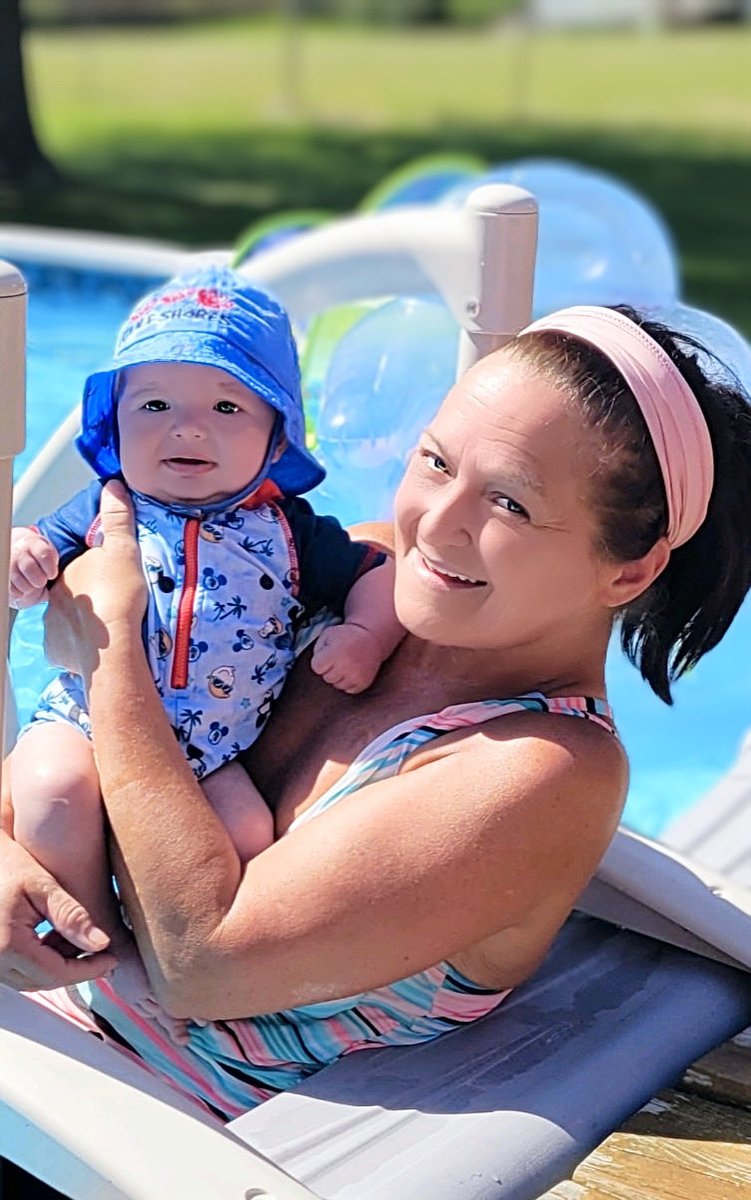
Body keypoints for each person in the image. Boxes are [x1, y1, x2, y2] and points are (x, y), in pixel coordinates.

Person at [2, 303, 751, 1133]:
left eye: (507, 503)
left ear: (629, 569)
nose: (434, 524)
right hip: (32, 1046)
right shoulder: (360, 582)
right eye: (435, 461)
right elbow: (50, 756)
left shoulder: (541, 767)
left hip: (127, 1140)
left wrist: (112, 651)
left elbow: (200, 963)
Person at [7, 265, 403, 938]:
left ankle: (157, 943)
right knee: (49, 793)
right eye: (154, 406)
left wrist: (366, 635)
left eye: (226, 408)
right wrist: (22, 556)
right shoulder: (105, 509)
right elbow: (29, 556)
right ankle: (91, 940)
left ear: (276, 436)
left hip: (213, 751)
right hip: (84, 721)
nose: (186, 430)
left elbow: (382, 571)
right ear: (115, 426)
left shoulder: (291, 532)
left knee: (248, 838)